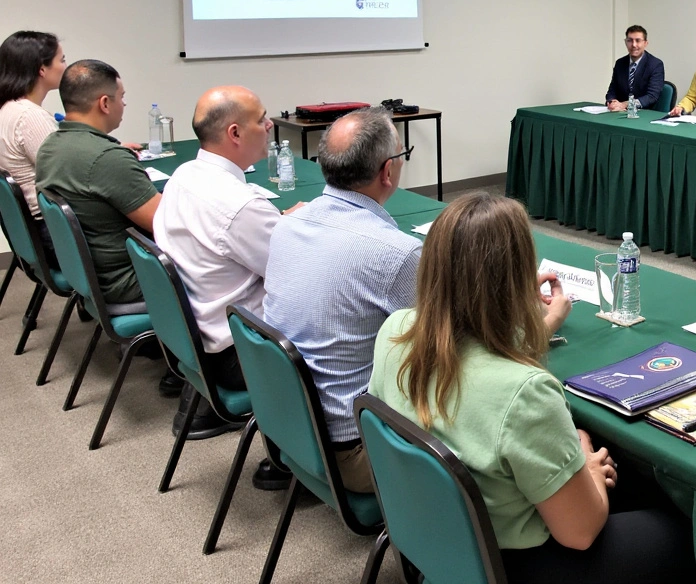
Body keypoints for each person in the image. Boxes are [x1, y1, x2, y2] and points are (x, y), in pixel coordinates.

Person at [369, 191, 696, 583]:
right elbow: (581, 532)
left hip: (438, 535)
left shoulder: (395, 331)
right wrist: (587, 466)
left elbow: (476, 364)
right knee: (684, 533)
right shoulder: (526, 393)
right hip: (513, 564)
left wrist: (539, 325)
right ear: (515, 279)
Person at [262, 108, 420, 494]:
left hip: (288, 426)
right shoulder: (396, 253)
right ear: (388, 171)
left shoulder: (287, 224)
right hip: (354, 452)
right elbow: (449, 343)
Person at [153, 86, 303, 486]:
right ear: (235, 133)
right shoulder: (240, 208)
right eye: (262, 119)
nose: (270, 125)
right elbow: (297, 275)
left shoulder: (185, 175)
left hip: (197, 340)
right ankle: (301, 462)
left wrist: (277, 223)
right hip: (242, 354)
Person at [35, 60, 160, 311]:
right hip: (128, 280)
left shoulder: (50, 146)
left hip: (90, 274)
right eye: (121, 97)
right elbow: (168, 224)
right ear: (104, 103)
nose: (124, 104)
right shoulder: (107, 158)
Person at [0, 31, 65, 237]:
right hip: (51, 228)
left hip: (30, 228)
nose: (66, 66)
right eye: (61, 60)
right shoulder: (30, 116)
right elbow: (67, 174)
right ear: (42, 69)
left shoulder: (9, 108)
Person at [604, 26, 665, 112]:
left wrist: (625, 104)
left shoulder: (655, 64)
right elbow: (612, 90)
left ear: (645, 43)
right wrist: (612, 102)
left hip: (644, 114)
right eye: (630, 40)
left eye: (638, 40)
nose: (633, 45)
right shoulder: (620, 63)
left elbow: (652, 96)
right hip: (619, 113)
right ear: (625, 42)